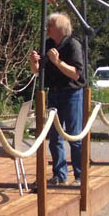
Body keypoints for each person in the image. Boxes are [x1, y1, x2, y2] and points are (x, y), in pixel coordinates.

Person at [29, 13, 86, 184]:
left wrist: (57, 61)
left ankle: (80, 176)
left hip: (72, 94)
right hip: (53, 93)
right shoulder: (47, 44)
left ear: (60, 28)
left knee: (74, 136)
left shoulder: (73, 45)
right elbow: (37, 72)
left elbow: (76, 74)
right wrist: (33, 62)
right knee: (55, 137)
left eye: (50, 25)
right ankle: (59, 176)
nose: (47, 27)